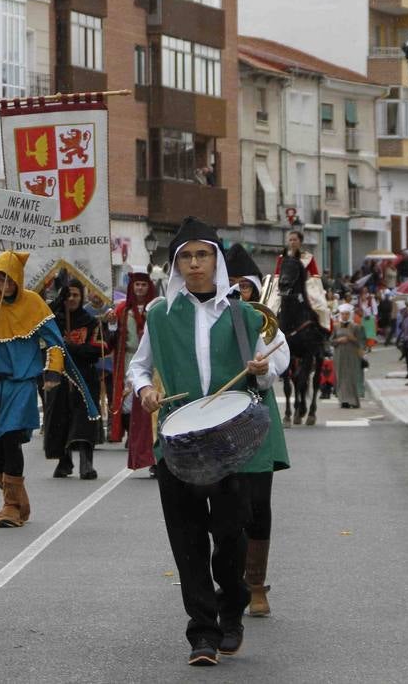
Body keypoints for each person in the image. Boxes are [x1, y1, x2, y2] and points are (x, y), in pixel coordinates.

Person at [127, 218, 285, 667]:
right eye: (186, 257)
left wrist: (262, 370)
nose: (195, 264)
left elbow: (278, 357)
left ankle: (231, 605)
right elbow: (140, 366)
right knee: (187, 539)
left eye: (202, 255)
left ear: (216, 260)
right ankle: (202, 632)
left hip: (232, 442)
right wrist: (145, 391)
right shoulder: (160, 313)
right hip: (178, 442)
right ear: (177, 265)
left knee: (231, 536)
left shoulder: (244, 312)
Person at [0, 250, 93, 528]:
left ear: (18, 279)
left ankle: (10, 506)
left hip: (20, 385)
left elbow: (55, 343)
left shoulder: (33, 304)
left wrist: (53, 370)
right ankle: (16, 499)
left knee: (10, 439)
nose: (4, 284)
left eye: (9, 278)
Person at [224, 243, 291, 620]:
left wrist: (263, 367)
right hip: (220, 417)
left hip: (256, 413)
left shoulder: (266, 323)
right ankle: (228, 578)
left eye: (243, 286)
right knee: (222, 502)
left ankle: (256, 584)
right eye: (229, 284)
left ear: (253, 289)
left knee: (257, 502)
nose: (236, 292)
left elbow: (279, 362)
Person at [45, 279, 106, 480]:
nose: (71, 299)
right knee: (60, 418)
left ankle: (86, 464)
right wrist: (57, 301)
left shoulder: (90, 322)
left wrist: (71, 348)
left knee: (84, 419)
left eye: (75, 295)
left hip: (84, 378)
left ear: (82, 297)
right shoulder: (53, 320)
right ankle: (64, 462)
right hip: (59, 377)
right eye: (67, 295)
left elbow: (95, 351)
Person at [112, 267, 158, 474]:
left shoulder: (157, 309)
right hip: (129, 360)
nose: (140, 288)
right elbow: (112, 341)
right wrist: (111, 326)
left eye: (143, 284)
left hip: (153, 363)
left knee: (151, 411)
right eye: (136, 284)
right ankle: (136, 444)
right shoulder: (122, 311)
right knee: (127, 408)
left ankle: (154, 454)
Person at [274, 230, 330, 329]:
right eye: (290, 240)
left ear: (300, 241)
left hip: (304, 287)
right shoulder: (282, 258)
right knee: (272, 306)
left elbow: (315, 276)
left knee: (321, 308)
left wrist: (308, 287)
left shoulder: (308, 257)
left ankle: (322, 331)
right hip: (283, 287)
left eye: (295, 240)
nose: (292, 242)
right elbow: (277, 275)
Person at [332, 304, 366, 408]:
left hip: (352, 356)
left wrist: (352, 339)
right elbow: (330, 341)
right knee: (341, 377)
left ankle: (353, 401)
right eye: (343, 314)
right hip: (339, 355)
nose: (344, 316)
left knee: (351, 377)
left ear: (350, 315)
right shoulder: (336, 326)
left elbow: (361, 342)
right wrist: (338, 340)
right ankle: (343, 401)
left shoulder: (356, 327)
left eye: (347, 314)